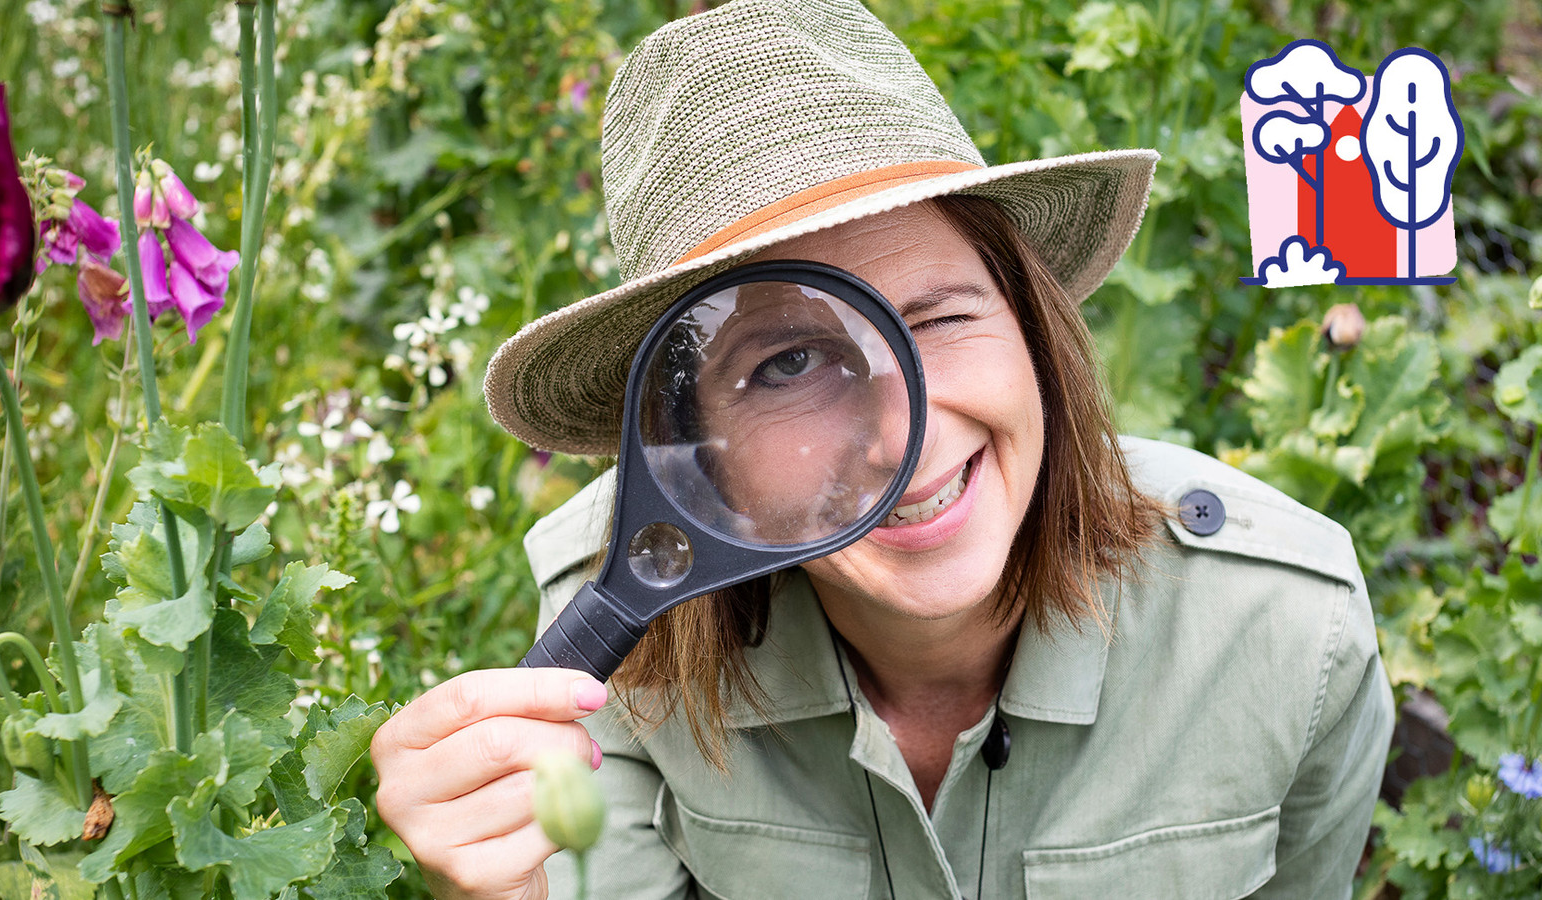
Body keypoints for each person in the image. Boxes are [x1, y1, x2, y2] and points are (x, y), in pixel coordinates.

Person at [369, 1, 1395, 897]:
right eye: (787, 365)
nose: (901, 435)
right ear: (687, 440)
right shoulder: (617, 651)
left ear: (1032, 331)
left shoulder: (1287, 635)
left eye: (942, 318)